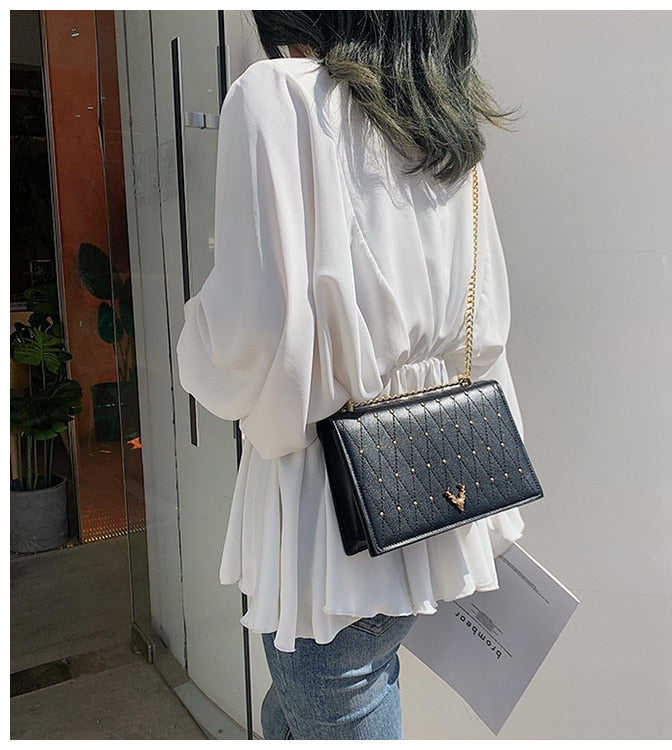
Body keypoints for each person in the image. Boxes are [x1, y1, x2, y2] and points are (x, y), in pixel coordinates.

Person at [176, 10, 526, 741]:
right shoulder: (444, 124)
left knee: (329, 699)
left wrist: (192, 350)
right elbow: (487, 320)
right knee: (307, 709)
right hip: (436, 485)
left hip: (330, 519)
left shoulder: (278, 94)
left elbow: (250, 332)